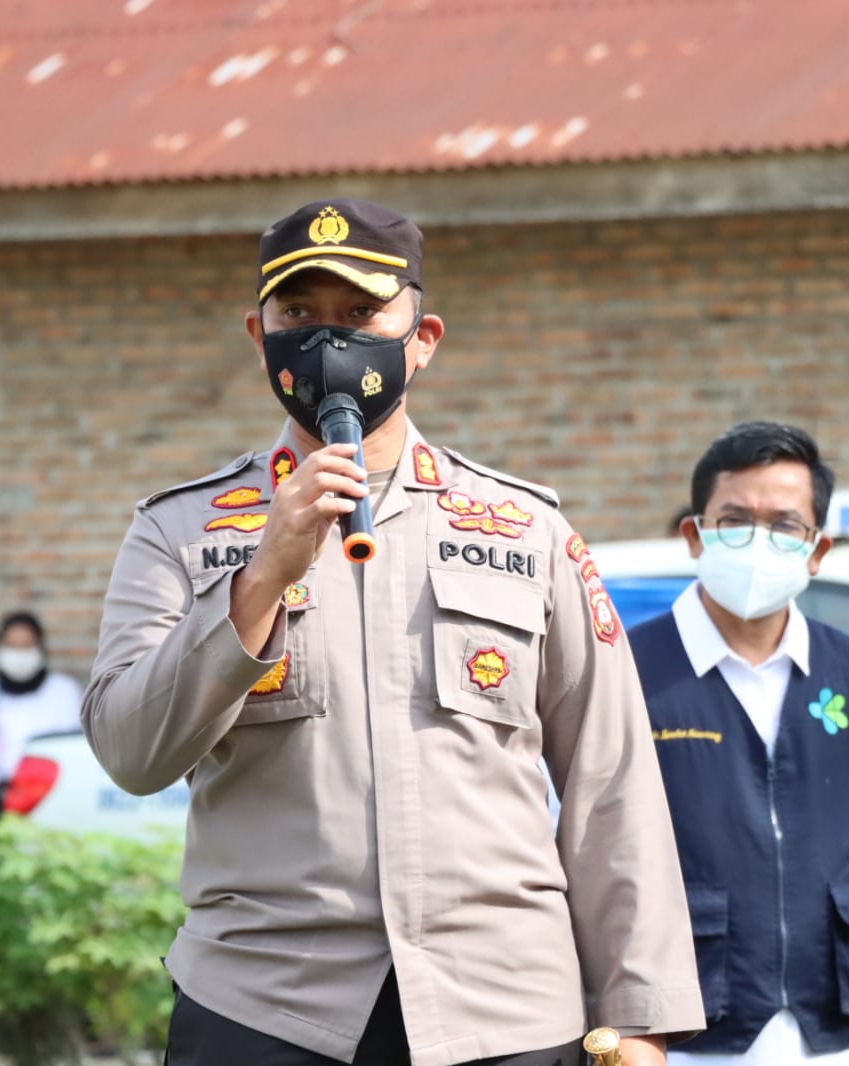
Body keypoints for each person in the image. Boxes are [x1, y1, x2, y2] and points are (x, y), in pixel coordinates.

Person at [82, 198, 704, 1066]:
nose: (328, 341)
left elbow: (611, 777)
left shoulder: (527, 530)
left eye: (361, 313)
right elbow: (130, 751)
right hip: (266, 1006)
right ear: (260, 339)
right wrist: (260, 579)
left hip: (505, 1010)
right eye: (299, 314)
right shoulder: (177, 532)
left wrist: (640, 1014)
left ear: (422, 338)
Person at [627, 422, 849, 1065]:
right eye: (734, 520)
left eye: (784, 524)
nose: (757, 541)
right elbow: (587, 843)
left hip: (828, 1025)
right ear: (694, 536)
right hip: (684, 1030)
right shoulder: (630, 670)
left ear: (817, 549)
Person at [0, 610, 83, 841]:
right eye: (12, 646)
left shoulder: (63, 691)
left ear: (40, 648)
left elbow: (71, 753)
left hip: (56, 801)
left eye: (26, 646)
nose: (19, 654)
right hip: (3, 804)